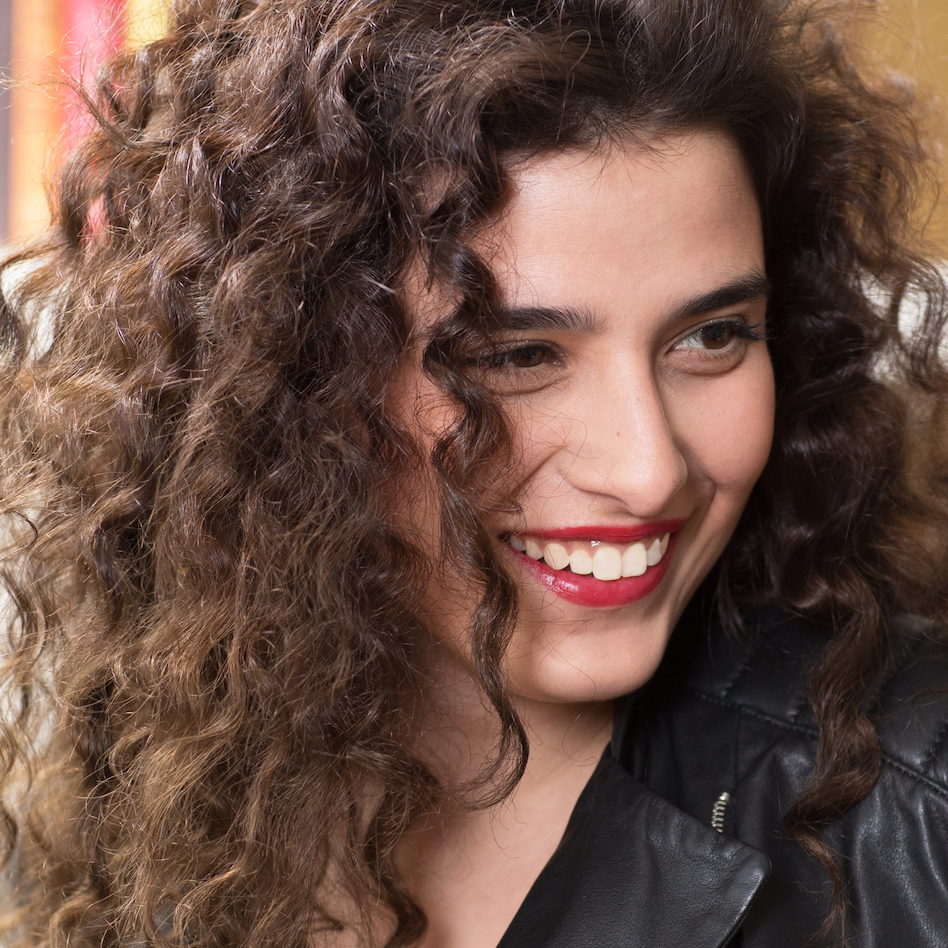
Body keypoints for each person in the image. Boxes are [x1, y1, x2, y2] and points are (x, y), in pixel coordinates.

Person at [1, 0, 947, 945]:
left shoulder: (922, 812)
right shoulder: (139, 785)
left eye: (713, 336)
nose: (649, 470)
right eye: (514, 356)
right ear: (288, 381)